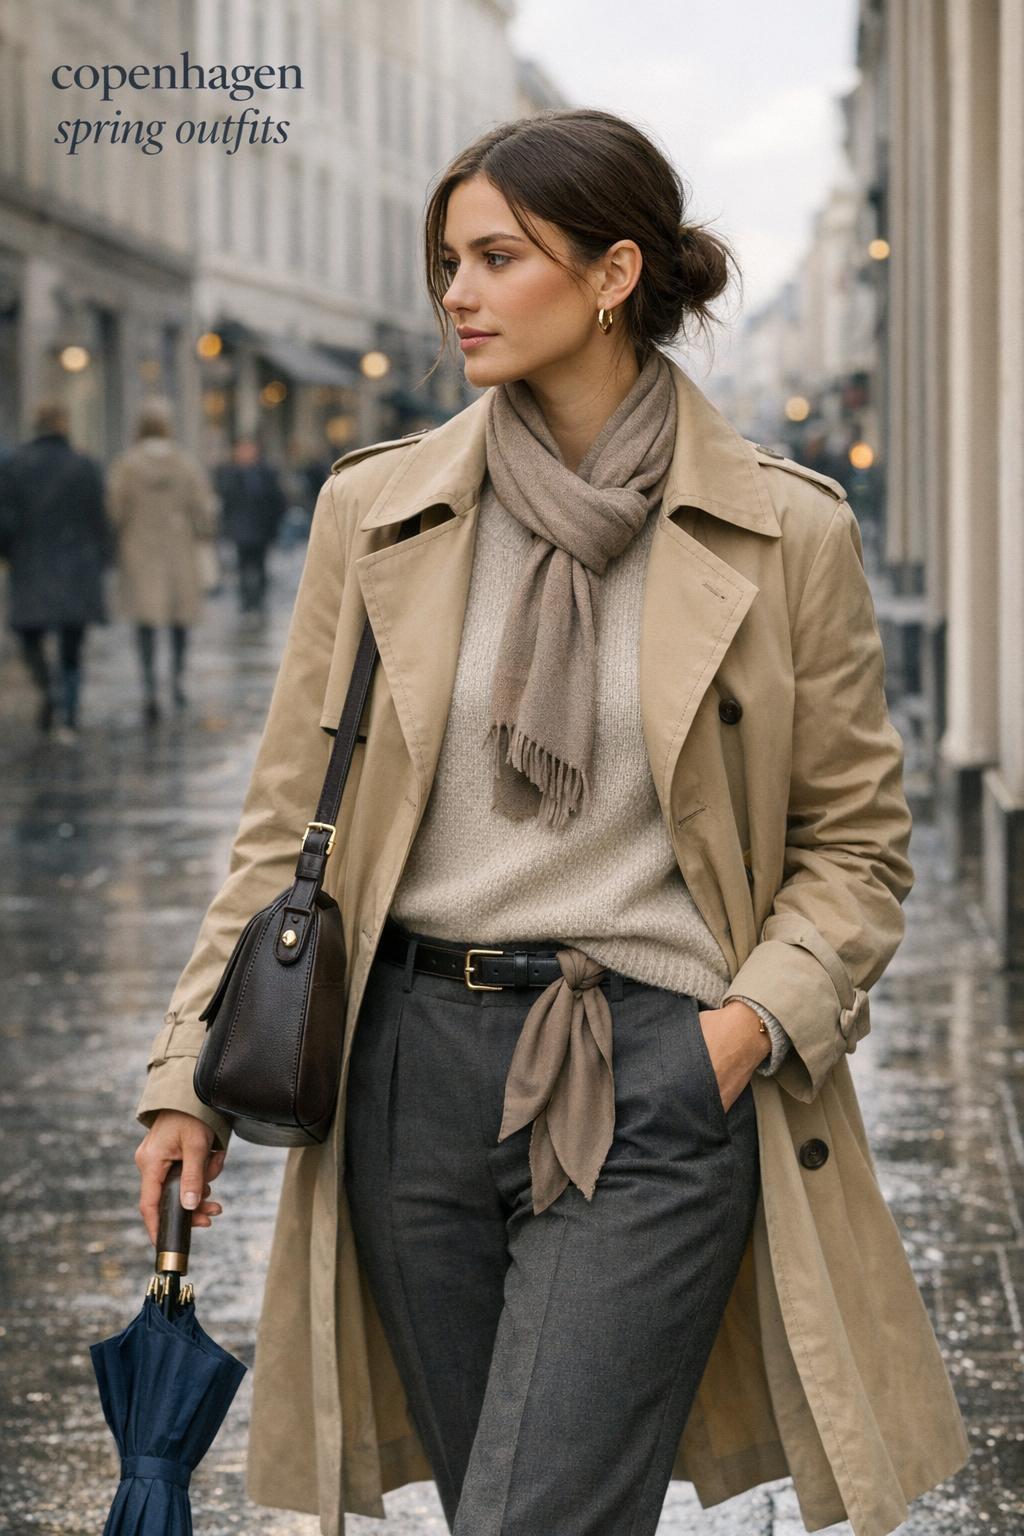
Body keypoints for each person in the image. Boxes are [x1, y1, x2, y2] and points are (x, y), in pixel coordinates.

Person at [132, 109, 969, 1536]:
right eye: (447, 258)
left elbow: (854, 848)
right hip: (407, 1071)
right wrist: (181, 1077)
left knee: (538, 1511)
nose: (454, 290)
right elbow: (289, 829)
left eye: (497, 256)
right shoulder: (378, 512)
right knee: (502, 1501)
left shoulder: (785, 533)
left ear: (610, 272)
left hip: (646, 1070)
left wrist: (740, 1031)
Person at [0, 400, 111, 741]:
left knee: (29, 634)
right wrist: (102, 559)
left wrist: (8, 553)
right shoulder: (85, 465)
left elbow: (5, 519)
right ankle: (70, 712)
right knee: (72, 644)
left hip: (31, 562)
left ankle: (46, 685)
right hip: (77, 564)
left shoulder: (15, 466)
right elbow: (100, 520)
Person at [106, 398, 219, 723]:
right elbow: (204, 511)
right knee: (178, 621)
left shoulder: (126, 465)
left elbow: (115, 510)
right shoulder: (186, 464)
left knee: (146, 622)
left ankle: (150, 685)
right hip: (179, 552)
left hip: (140, 552)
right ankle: (178, 680)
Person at [215, 436, 287, 613]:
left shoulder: (265, 473)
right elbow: (226, 501)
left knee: (260, 565)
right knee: (243, 566)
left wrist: (273, 523)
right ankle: (246, 602)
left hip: (261, 528)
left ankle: (258, 601)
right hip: (240, 529)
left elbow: (277, 500)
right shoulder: (230, 473)